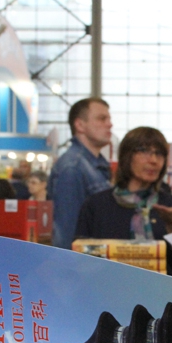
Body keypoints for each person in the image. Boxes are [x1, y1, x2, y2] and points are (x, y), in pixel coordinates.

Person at [75, 127, 172, 273]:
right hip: (109, 284)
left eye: (159, 154)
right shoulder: (96, 205)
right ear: (127, 156)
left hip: (159, 286)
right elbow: (81, 258)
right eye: (144, 151)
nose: (154, 160)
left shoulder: (171, 205)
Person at [49, 98, 113, 249]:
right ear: (80, 125)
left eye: (109, 119)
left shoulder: (96, 166)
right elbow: (67, 230)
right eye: (101, 118)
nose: (110, 124)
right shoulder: (72, 168)